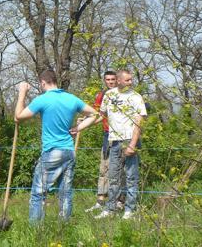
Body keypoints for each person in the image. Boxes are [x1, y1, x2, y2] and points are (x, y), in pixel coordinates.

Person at [14, 71, 97, 222]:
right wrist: (78, 128)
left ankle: (35, 230)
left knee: (38, 193)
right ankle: (63, 227)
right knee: (65, 193)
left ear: (43, 83)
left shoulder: (43, 99)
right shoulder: (71, 98)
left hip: (52, 151)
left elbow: (18, 116)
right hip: (69, 151)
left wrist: (22, 94)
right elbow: (94, 114)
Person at [73, 69, 147, 220]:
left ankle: (129, 210)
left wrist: (132, 144)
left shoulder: (135, 97)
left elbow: (139, 122)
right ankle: (110, 209)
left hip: (129, 141)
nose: (130, 82)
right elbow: (101, 116)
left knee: (131, 178)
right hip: (113, 141)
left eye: (131, 80)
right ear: (119, 81)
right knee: (113, 177)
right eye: (127, 80)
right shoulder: (109, 95)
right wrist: (80, 127)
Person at [84, 71, 125, 213]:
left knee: (120, 170)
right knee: (104, 168)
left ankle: (120, 201)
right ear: (104, 81)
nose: (111, 82)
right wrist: (84, 122)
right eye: (108, 79)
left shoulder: (124, 94)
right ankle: (100, 201)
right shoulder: (101, 95)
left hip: (122, 135)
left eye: (113, 79)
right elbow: (96, 114)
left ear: (117, 80)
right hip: (107, 134)